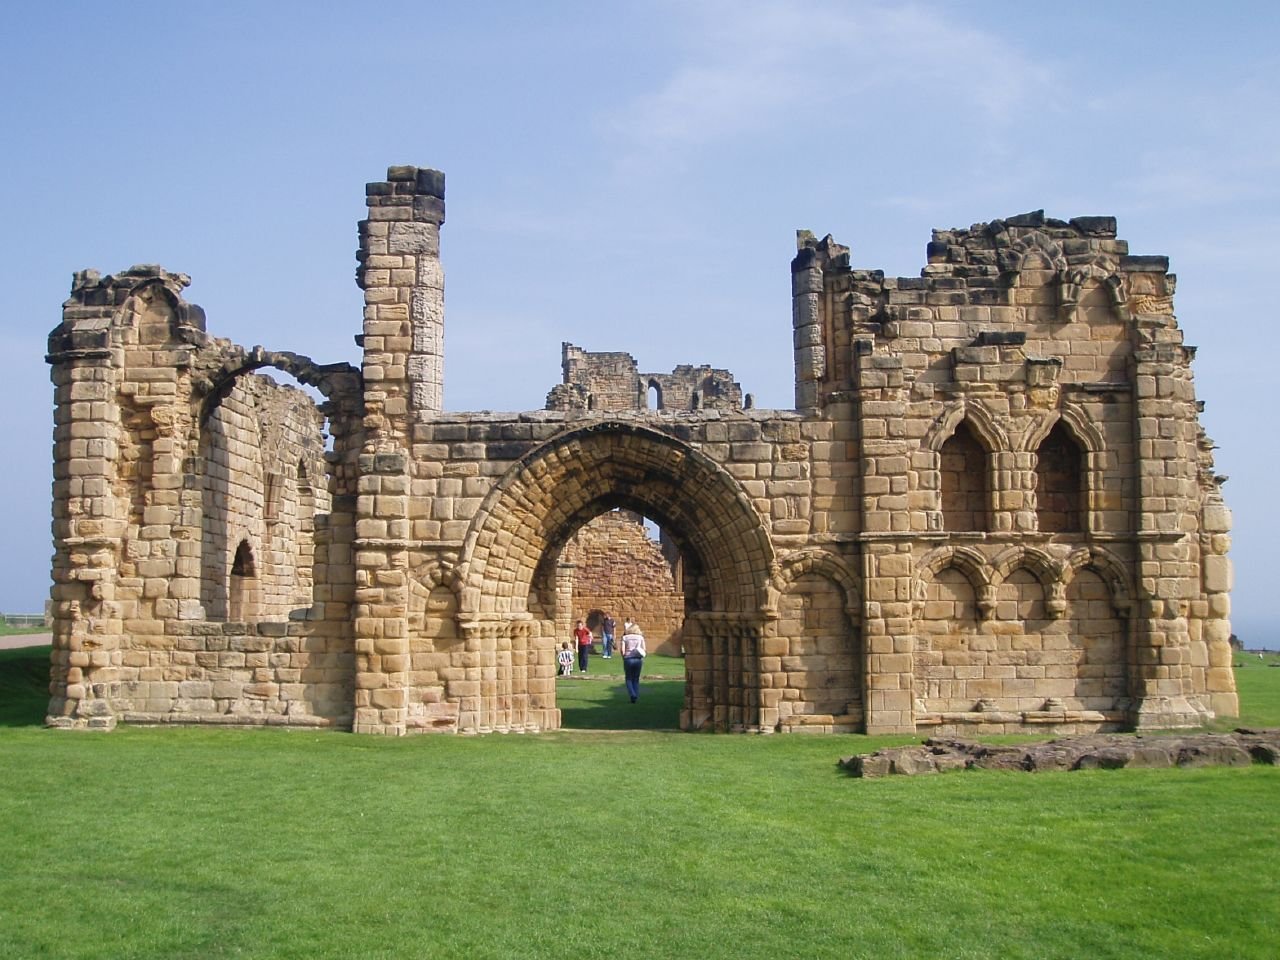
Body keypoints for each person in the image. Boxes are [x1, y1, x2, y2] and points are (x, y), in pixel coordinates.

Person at [620, 620, 646, 703]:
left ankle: (632, 694)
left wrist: (623, 657)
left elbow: (622, 650)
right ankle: (635, 695)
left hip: (628, 658)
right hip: (638, 659)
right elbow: (644, 649)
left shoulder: (625, 637)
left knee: (628, 678)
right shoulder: (640, 637)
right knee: (636, 678)